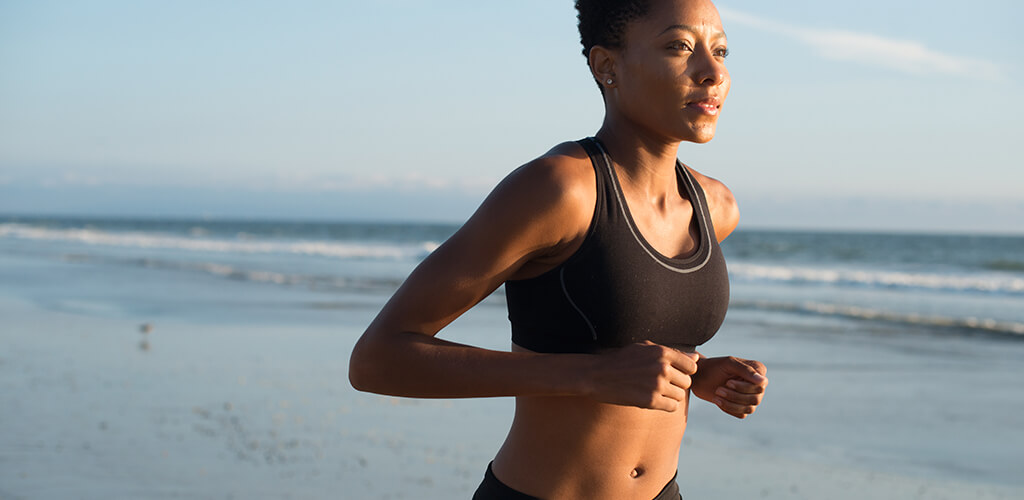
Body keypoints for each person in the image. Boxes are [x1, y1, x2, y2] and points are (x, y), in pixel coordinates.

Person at [349, 0, 768, 498]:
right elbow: (378, 358)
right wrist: (591, 376)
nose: (712, 71)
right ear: (606, 66)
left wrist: (698, 374)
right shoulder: (559, 190)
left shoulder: (716, 207)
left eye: (720, 50)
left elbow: (631, 335)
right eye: (678, 46)